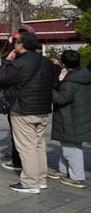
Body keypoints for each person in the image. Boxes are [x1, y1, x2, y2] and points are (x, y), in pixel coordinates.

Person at [0, 32, 52, 193]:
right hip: (42, 108)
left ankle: (30, 182)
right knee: (38, 145)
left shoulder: (19, 63)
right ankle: (41, 179)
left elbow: (1, 79)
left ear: (20, 45)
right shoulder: (47, 62)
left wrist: (7, 62)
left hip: (23, 109)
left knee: (27, 147)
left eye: (17, 42)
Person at [49, 50, 91, 189]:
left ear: (64, 63)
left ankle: (77, 177)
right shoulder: (83, 75)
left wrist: (50, 89)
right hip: (79, 115)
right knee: (67, 146)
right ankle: (63, 170)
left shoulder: (70, 81)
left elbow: (62, 98)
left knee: (71, 148)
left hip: (70, 118)